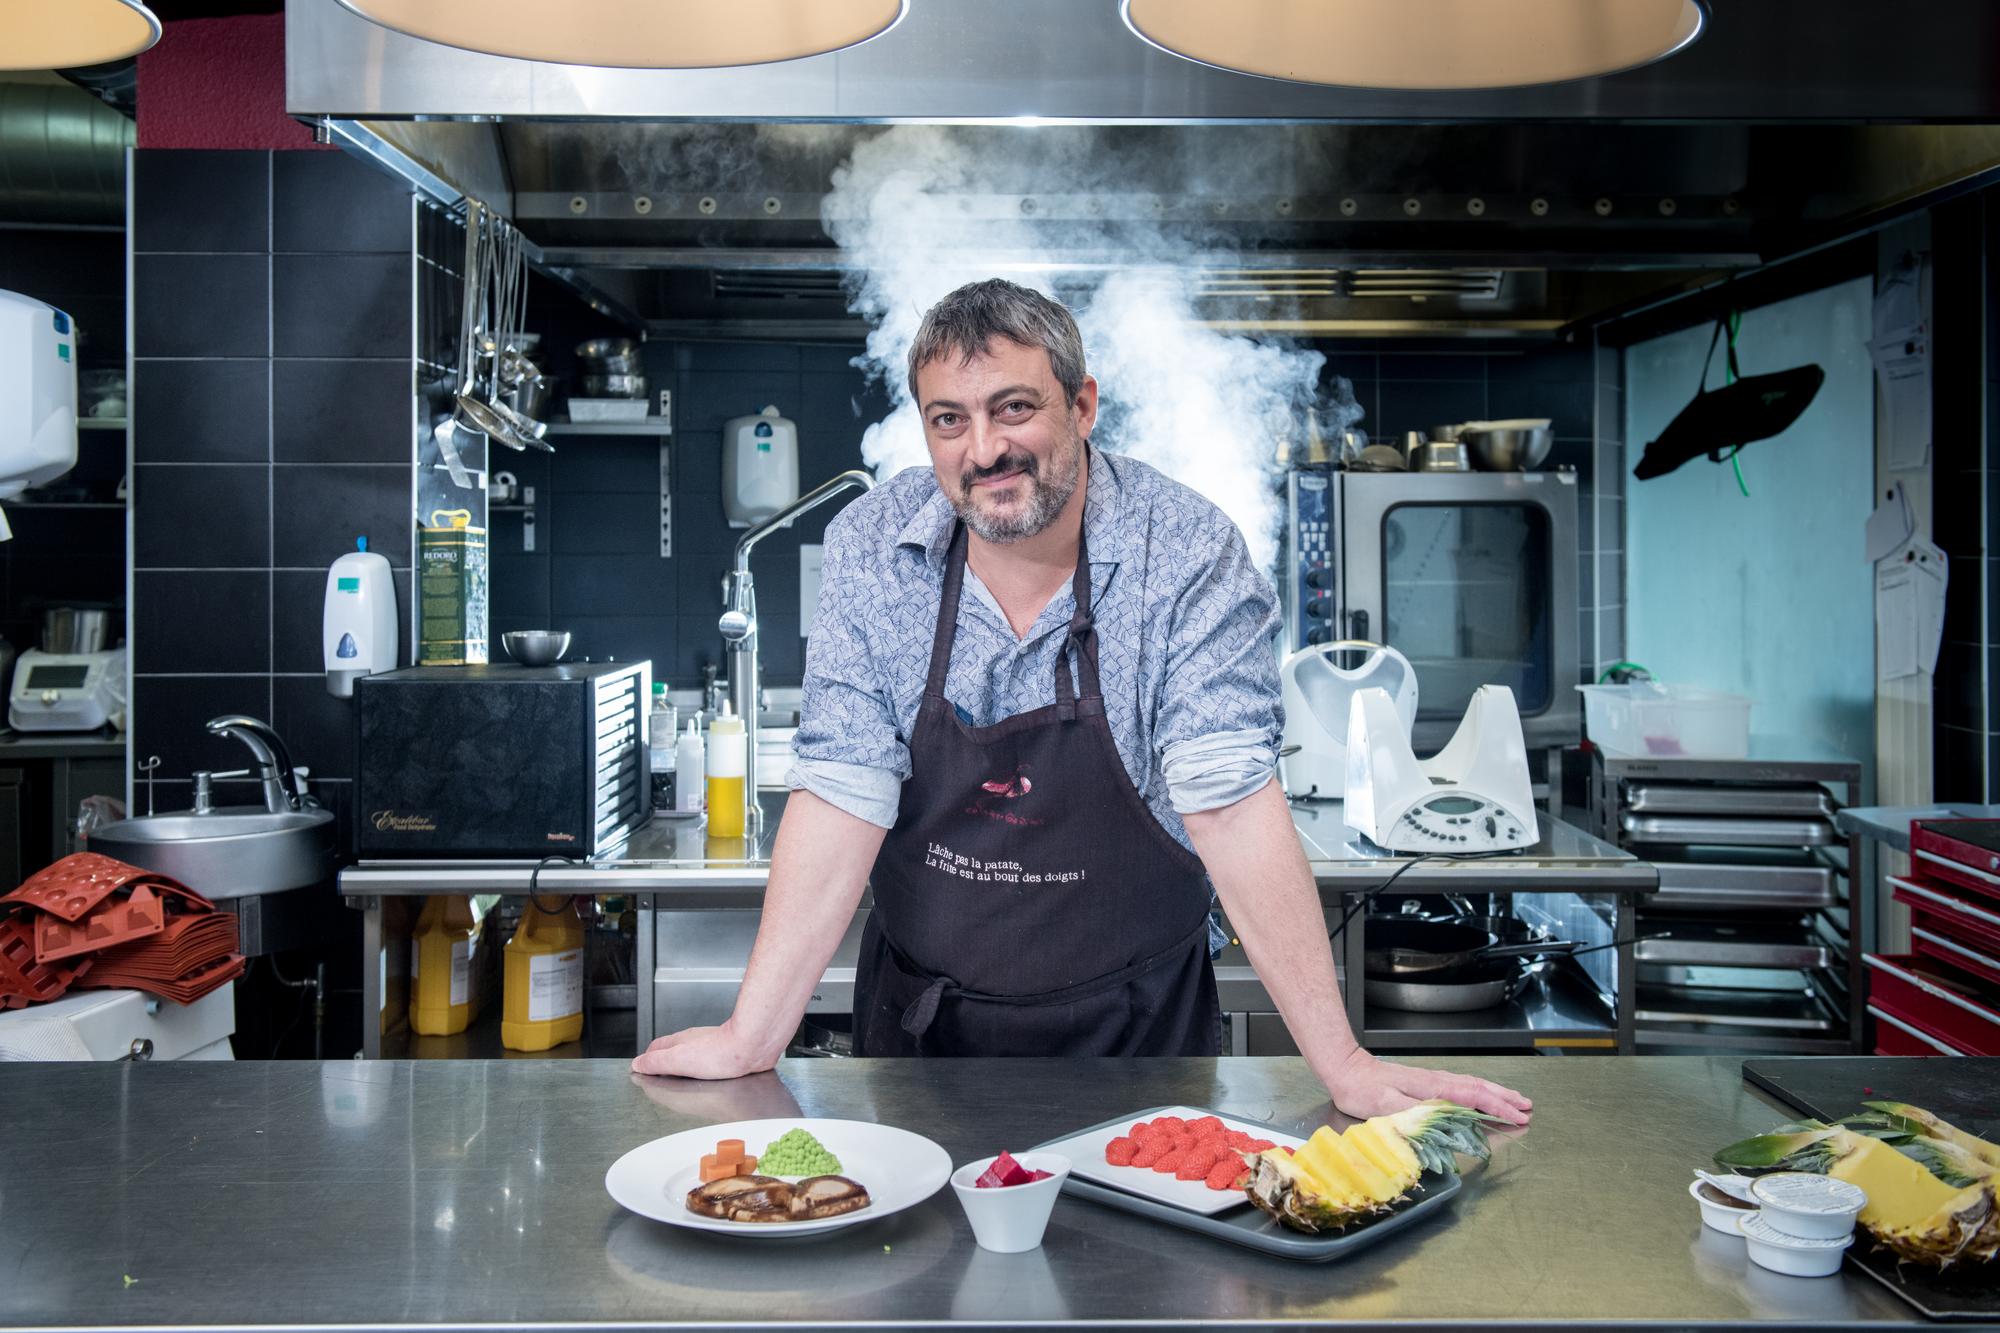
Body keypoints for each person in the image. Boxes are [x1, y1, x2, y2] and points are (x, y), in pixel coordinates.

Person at [634, 279, 1531, 1124]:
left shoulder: (1186, 551)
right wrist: (752, 1035)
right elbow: (841, 794)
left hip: (1142, 1037)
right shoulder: (874, 546)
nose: (984, 450)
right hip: (920, 1036)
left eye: (1013, 408)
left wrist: (1343, 1063)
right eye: (949, 420)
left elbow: (1227, 805)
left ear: (1083, 405)